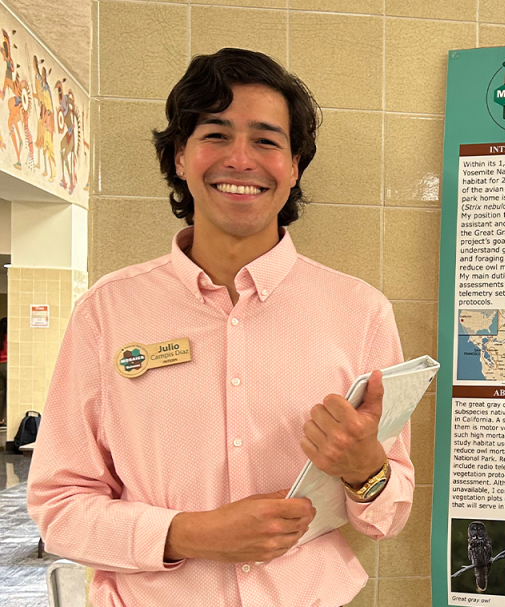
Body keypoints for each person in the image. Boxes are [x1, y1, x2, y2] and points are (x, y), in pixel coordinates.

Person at [27, 48, 413, 607]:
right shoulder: (106, 312)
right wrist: (190, 533)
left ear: (295, 165)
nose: (240, 159)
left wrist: (367, 471)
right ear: (180, 157)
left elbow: (391, 511)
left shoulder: (360, 312)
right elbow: (58, 507)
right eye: (216, 134)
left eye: (266, 139)